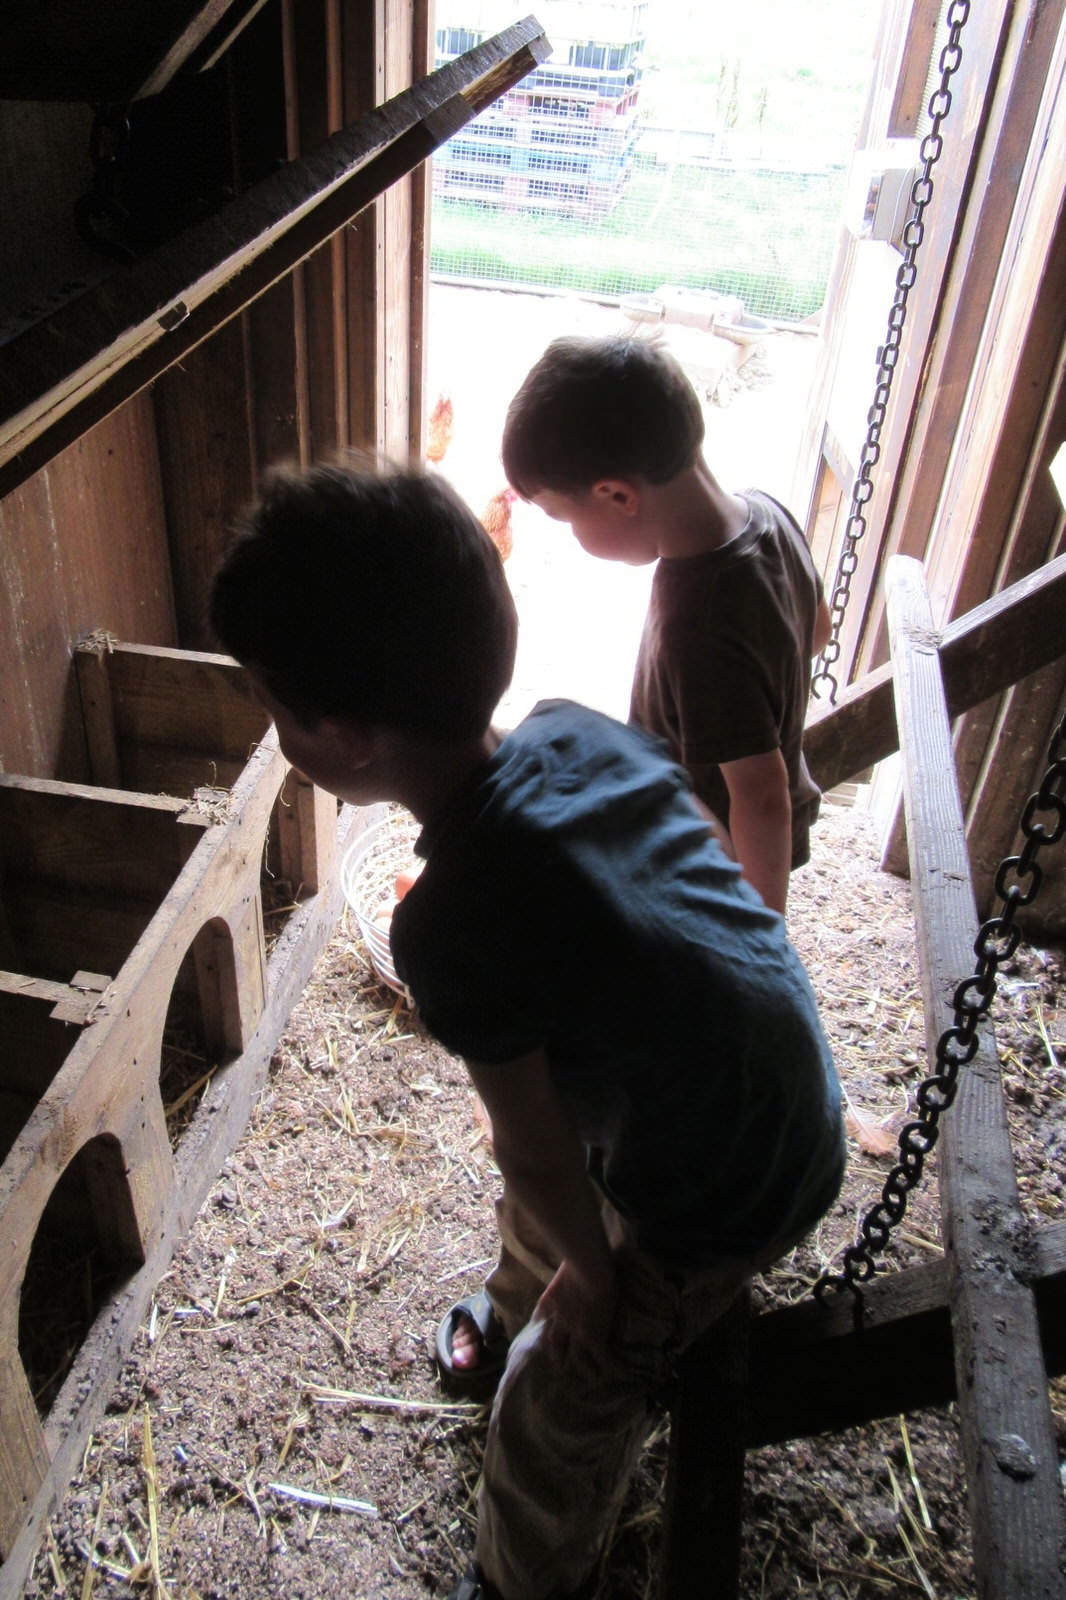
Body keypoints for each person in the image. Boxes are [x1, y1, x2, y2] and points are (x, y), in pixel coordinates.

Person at [209, 459, 845, 1600]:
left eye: (273, 705)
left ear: (345, 737)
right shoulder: (569, 729)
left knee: (559, 1398)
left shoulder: (453, 925)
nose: (274, 727)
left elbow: (534, 1143)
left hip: (732, 1183)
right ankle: (514, 1301)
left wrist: (598, 1283)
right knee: (548, 1206)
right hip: (764, 1077)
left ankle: (523, 1581)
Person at [501, 333, 832, 917]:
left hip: (711, 848)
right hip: (723, 816)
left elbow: (760, 799)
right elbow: (817, 629)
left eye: (564, 517)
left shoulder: (699, 618)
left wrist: (758, 932)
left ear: (617, 495)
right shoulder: (767, 512)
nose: (570, 536)